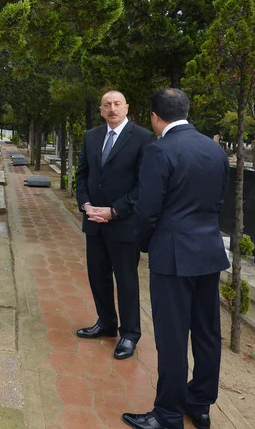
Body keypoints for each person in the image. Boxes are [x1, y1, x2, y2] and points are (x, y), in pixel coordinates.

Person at [122, 89, 230, 429]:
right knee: (207, 333)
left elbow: (146, 210)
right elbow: (219, 201)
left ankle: (168, 415)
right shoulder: (215, 149)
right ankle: (199, 405)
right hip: (209, 252)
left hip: (172, 256)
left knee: (172, 337)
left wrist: (142, 245)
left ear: (155, 116)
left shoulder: (160, 150)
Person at [75, 90, 156, 360]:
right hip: (94, 222)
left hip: (123, 224)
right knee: (97, 277)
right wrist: (86, 206)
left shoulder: (143, 138)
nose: (112, 108)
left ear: (127, 107)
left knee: (126, 281)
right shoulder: (92, 136)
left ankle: (130, 334)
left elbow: (143, 184)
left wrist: (114, 211)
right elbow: (83, 174)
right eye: (107, 105)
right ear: (101, 110)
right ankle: (107, 323)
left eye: (117, 104)